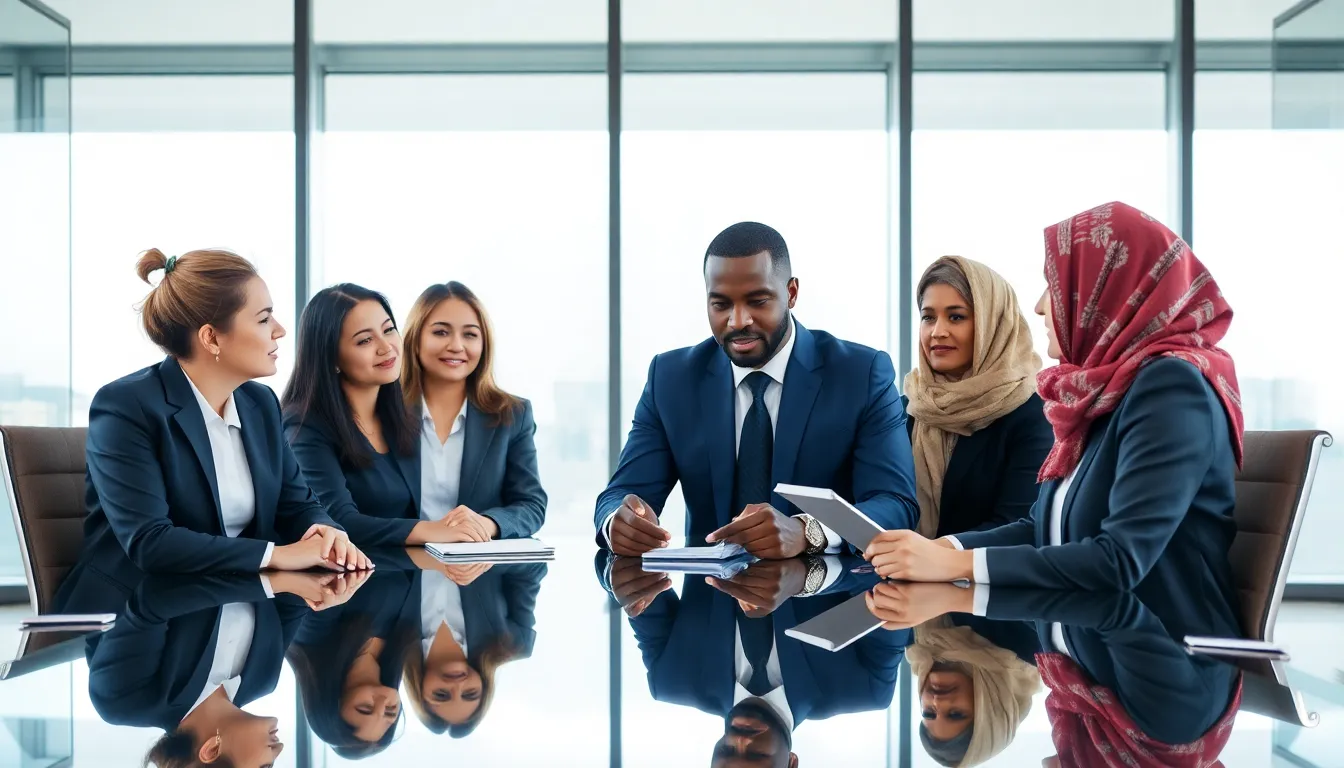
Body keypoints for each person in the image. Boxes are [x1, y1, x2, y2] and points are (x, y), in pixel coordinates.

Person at [863, 203, 1244, 613]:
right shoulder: (1108, 394)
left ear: (1108, 289)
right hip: (1095, 636)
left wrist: (955, 562)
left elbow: (1118, 563)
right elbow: (1043, 529)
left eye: (1056, 286)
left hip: (1160, 652)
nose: (1042, 306)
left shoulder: (1170, 387)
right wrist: (938, 550)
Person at [596, 221, 919, 559]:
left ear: (791, 293)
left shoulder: (860, 374)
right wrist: (617, 522)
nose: (738, 321)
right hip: (707, 600)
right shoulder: (671, 379)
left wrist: (807, 531)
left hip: (823, 601)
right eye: (721, 305)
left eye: (758, 301)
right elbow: (621, 493)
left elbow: (895, 505)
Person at [65, 249, 370, 592]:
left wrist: (326, 531)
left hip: (230, 599)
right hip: (138, 613)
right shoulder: (126, 406)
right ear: (211, 337)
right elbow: (150, 543)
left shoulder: (260, 403)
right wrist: (279, 555)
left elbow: (297, 504)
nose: (280, 330)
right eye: (264, 318)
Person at [283, 284, 466, 547]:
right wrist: (432, 530)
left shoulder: (400, 417)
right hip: (340, 583)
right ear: (331, 358)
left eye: (388, 330)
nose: (386, 347)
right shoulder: (304, 426)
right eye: (365, 340)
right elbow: (337, 522)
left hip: (403, 575)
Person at [903, 255, 1051, 538]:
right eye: (928, 317)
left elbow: (1019, 526)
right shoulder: (907, 408)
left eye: (956, 317)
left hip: (991, 579)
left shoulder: (1032, 413)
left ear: (993, 324)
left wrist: (931, 555)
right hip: (896, 576)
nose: (938, 332)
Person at [399, 282, 547, 541]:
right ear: (415, 339)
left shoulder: (512, 415)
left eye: (469, 335)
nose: (456, 346)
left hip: (480, 571)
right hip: (398, 569)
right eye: (441, 332)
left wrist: (486, 525)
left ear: (484, 344)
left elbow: (531, 505)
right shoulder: (383, 411)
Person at [400, 559, 547, 738]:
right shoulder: (512, 644)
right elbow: (532, 567)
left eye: (441, 694)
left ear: (418, 690)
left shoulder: (392, 640)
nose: (457, 685)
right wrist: (479, 558)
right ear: (484, 688)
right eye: (470, 693)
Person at [289, 564, 419, 758]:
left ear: (333, 704)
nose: (383, 702)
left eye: (365, 708)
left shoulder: (311, 637)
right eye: (390, 712)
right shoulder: (401, 648)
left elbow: (335, 567)